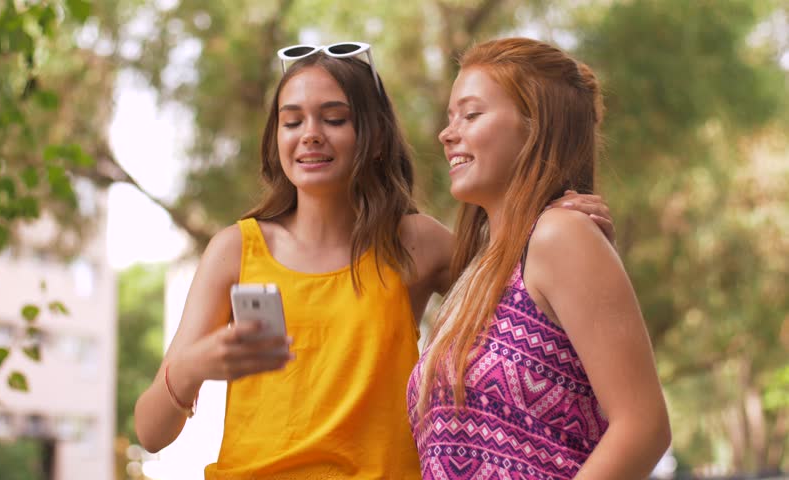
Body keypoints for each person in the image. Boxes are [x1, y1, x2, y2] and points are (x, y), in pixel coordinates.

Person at [134, 42, 615, 479]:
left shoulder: (416, 243)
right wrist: (194, 365)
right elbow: (151, 432)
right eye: (292, 120)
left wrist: (565, 219)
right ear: (274, 137)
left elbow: (531, 291)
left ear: (375, 135)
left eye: (334, 118)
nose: (311, 135)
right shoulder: (236, 250)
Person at [407, 37, 671, 479]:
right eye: (451, 117)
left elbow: (643, 427)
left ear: (535, 127)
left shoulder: (558, 235)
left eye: (471, 114)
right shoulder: (482, 270)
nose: (447, 132)